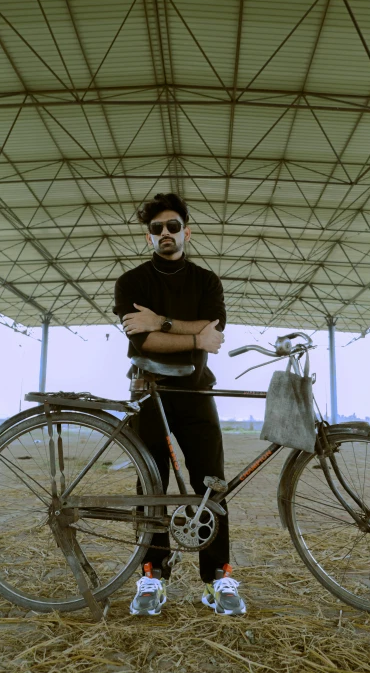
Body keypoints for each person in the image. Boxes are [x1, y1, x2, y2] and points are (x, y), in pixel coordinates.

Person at [113, 192, 246, 617]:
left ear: (186, 231)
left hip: (195, 390)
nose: (165, 234)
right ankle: (152, 576)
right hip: (148, 391)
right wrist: (187, 336)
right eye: (157, 229)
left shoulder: (207, 281)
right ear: (148, 236)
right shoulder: (131, 282)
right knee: (151, 488)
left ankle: (219, 577)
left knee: (213, 484)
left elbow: (214, 334)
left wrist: (163, 322)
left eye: (173, 226)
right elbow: (143, 339)